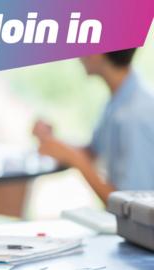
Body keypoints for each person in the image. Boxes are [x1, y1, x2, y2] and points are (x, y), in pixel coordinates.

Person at [33, 48, 154, 204]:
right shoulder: (120, 99)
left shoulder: (136, 115)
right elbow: (92, 152)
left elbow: (132, 206)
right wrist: (53, 142)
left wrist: (76, 160)